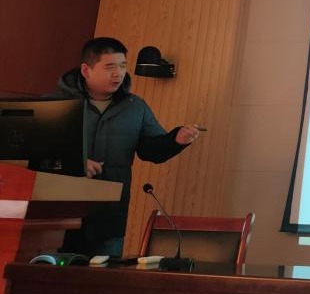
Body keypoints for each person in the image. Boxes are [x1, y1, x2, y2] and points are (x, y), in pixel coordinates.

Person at [55, 37, 201, 257]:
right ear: (86, 70)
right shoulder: (55, 104)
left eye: (122, 66)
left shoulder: (135, 107)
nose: (118, 73)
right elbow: (33, 156)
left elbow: (151, 150)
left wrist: (175, 140)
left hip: (109, 218)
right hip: (58, 217)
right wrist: (74, 163)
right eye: (110, 67)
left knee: (105, 276)